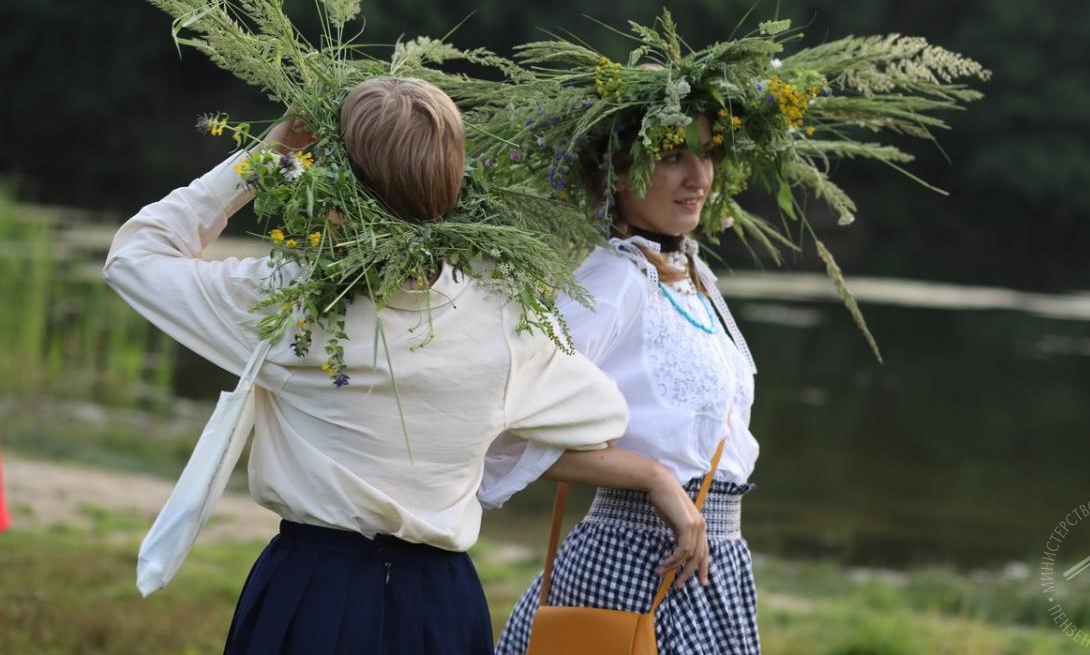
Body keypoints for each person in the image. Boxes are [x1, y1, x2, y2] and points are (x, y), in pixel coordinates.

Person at [104, 76, 706, 655]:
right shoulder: (504, 317)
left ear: (335, 184)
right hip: (440, 605)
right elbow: (600, 416)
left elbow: (135, 258)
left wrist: (263, 160)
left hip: (310, 590)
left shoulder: (288, 303)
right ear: (452, 186)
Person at [494, 112, 762, 654]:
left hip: (716, 562)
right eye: (672, 157)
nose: (699, 177)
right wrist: (655, 479)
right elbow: (505, 423)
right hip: (634, 563)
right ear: (618, 175)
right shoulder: (614, 279)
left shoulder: (693, 272)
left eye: (705, 154)